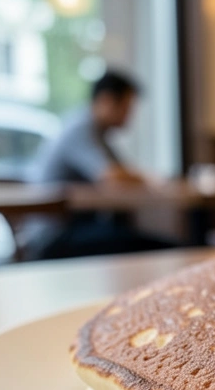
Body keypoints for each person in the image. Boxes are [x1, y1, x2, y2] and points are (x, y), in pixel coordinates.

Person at [24, 71, 174, 259]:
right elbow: (111, 176)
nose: (129, 116)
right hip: (52, 238)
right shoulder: (80, 129)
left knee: (149, 242)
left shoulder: (98, 133)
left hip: (76, 228)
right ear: (106, 100)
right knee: (160, 248)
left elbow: (121, 171)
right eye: (127, 108)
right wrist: (151, 178)